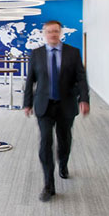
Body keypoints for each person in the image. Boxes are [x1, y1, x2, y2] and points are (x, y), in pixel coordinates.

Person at [24, 20, 90, 202]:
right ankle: (48, 184)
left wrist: (84, 99)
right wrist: (27, 103)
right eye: (49, 31)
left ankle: (63, 163)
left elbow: (82, 79)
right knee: (45, 141)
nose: (52, 34)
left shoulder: (73, 52)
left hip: (66, 104)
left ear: (60, 33)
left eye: (55, 31)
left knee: (64, 139)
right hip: (44, 105)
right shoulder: (36, 54)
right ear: (43, 33)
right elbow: (30, 80)